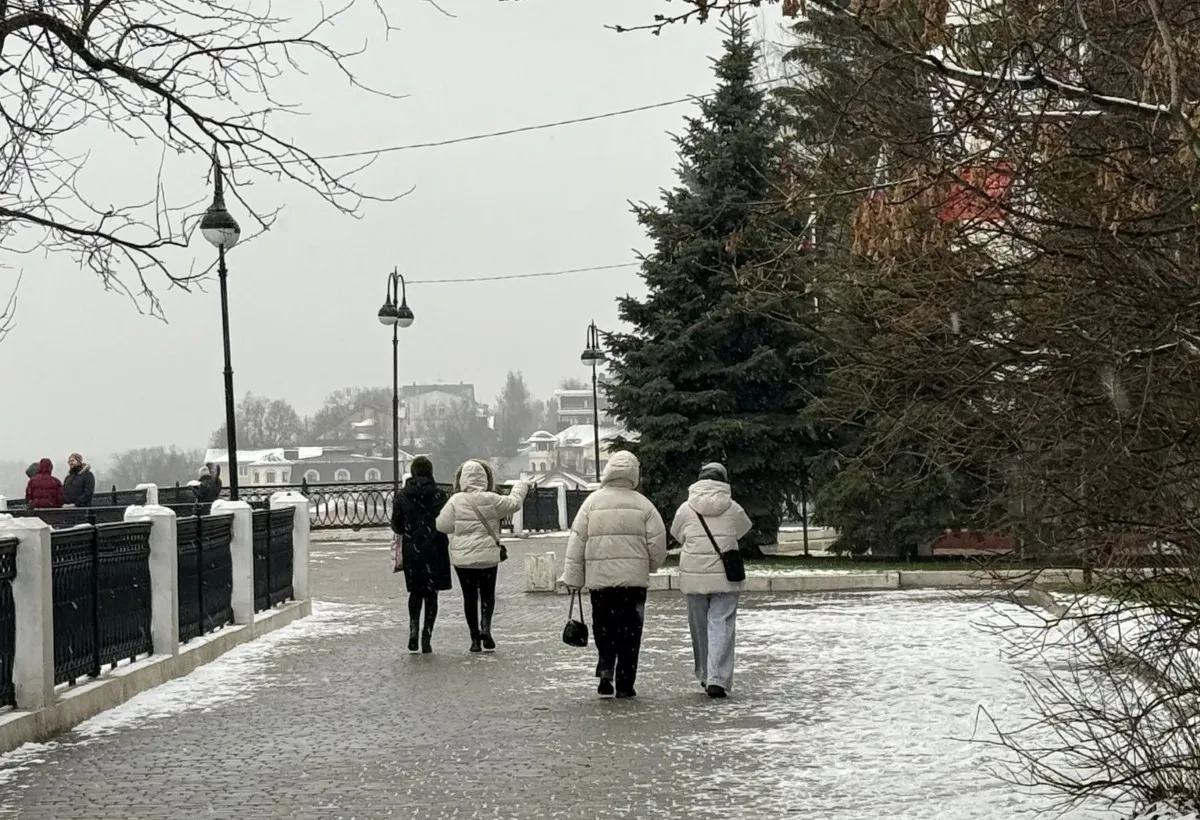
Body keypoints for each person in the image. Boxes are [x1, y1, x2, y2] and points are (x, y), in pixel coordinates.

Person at [563, 450, 667, 699]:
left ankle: (606, 667)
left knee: (604, 627)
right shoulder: (644, 505)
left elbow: (577, 541)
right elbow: (658, 544)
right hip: (633, 583)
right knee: (631, 632)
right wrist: (650, 566)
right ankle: (625, 683)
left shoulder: (591, 503)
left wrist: (573, 578)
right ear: (634, 474)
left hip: (601, 583)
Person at [670, 462, 753, 700]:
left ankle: (705, 674)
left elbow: (677, 533)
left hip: (694, 576)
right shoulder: (733, 508)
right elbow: (743, 530)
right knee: (722, 624)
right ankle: (718, 678)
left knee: (700, 628)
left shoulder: (686, 509)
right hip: (726, 576)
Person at [436, 460, 529, 653]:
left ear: (462, 479)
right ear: (485, 478)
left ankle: (474, 639)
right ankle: (486, 628)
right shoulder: (492, 499)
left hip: (463, 559)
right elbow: (514, 503)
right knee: (487, 594)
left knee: (469, 597)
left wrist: (461, 527)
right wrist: (520, 486)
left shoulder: (456, 500)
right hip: (488, 555)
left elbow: (442, 526)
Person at [391, 456, 451, 654]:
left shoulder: (402, 496)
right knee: (432, 594)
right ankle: (427, 635)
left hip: (413, 549)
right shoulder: (440, 495)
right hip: (435, 548)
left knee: (415, 592)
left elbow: (396, 526)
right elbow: (446, 522)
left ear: (413, 472)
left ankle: (413, 629)